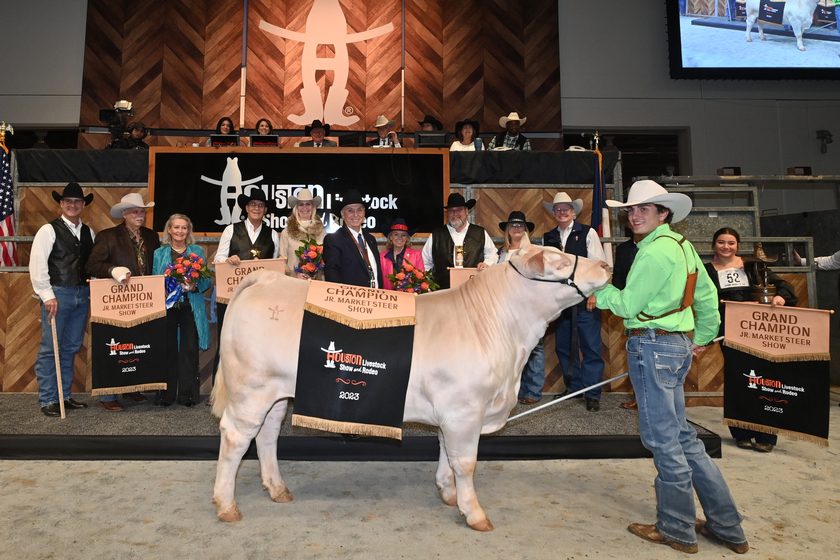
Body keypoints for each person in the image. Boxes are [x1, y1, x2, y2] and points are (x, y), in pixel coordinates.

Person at [594, 180, 749, 555]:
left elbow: (628, 305)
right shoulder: (682, 247)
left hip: (651, 344)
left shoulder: (652, 254)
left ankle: (677, 528)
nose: (633, 215)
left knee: (664, 440)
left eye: (643, 209)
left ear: (664, 213)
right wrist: (702, 337)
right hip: (677, 345)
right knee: (683, 438)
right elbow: (707, 297)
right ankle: (727, 526)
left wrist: (595, 287)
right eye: (630, 210)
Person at [706, 227, 796, 453]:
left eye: (731, 242)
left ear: (738, 245)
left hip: (757, 328)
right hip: (727, 329)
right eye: (721, 242)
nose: (726, 246)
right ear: (713, 245)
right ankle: (741, 432)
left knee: (764, 378)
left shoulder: (752, 266)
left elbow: (784, 286)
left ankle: (766, 434)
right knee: (739, 380)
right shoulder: (706, 270)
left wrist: (780, 297)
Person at [87, 193, 161, 411]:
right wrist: (112, 270)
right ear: (125, 214)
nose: (140, 215)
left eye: (142, 211)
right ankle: (108, 395)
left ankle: (132, 388)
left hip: (143, 299)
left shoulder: (151, 236)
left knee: (137, 344)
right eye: (136, 211)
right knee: (114, 345)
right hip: (117, 300)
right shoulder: (108, 236)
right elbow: (92, 265)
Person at [29, 182, 95, 417]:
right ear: (61, 204)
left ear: (83, 204)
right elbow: (37, 265)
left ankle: (63, 396)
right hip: (58, 294)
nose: (73, 205)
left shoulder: (89, 232)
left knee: (70, 348)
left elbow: (90, 265)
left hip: (81, 294)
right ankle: (48, 399)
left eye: (77, 202)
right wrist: (47, 295)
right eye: (68, 201)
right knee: (50, 349)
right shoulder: (48, 230)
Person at [542, 192, 607, 411]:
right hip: (561, 301)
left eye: (566, 209)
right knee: (564, 346)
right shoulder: (548, 237)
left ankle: (592, 393)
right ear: (553, 212)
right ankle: (574, 387)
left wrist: (595, 293)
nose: (562, 212)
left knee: (590, 346)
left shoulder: (587, 233)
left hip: (584, 298)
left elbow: (599, 264)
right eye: (558, 209)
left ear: (573, 211)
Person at [213, 189, 280, 384]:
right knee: (228, 340)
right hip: (233, 295)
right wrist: (228, 259)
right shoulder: (231, 229)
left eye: (260, 205)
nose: (256, 208)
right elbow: (217, 258)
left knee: (257, 341)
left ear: (265, 210)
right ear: (246, 207)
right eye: (253, 205)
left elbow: (275, 266)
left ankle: (253, 385)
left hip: (261, 298)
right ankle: (221, 386)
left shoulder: (273, 234)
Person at [152, 214, 211, 407]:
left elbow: (206, 280)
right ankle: (166, 395)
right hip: (167, 307)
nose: (180, 231)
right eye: (176, 227)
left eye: (184, 228)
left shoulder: (197, 251)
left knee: (189, 350)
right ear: (169, 229)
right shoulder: (159, 253)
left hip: (190, 306)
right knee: (166, 349)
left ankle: (188, 395)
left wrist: (194, 286)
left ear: (188, 230)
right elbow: (153, 279)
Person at [496, 211, 546, 405]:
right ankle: (509, 390)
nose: (516, 228)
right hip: (506, 307)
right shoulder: (500, 253)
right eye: (512, 225)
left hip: (529, 305)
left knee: (535, 348)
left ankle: (532, 391)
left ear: (526, 230)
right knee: (508, 349)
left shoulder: (534, 251)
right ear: (507, 230)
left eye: (520, 225)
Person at [421, 193, 497, 289]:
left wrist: (486, 264)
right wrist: (429, 284)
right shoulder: (436, 235)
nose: (455, 214)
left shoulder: (480, 233)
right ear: (447, 213)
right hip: (443, 293)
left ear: (466, 211)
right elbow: (425, 262)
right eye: (451, 211)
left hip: (473, 290)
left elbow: (493, 254)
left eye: (459, 210)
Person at [323, 189, 383, 287]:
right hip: (350, 300)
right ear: (342, 214)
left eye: (359, 210)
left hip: (374, 298)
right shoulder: (333, 240)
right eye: (350, 210)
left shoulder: (371, 239)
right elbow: (331, 273)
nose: (355, 214)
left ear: (364, 213)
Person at [278, 188, 326, 278]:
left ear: (313, 207)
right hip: (293, 283)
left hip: (316, 282)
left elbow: (326, 260)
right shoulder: (286, 232)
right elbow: (281, 262)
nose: (305, 208)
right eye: (301, 204)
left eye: (308, 204)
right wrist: (295, 275)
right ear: (296, 207)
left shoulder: (322, 232)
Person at [379, 218, 424, 290]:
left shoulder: (416, 255)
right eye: (396, 234)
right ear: (391, 237)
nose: (400, 238)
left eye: (403, 235)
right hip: (388, 297)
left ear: (407, 238)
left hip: (408, 298)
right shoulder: (381, 256)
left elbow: (421, 279)